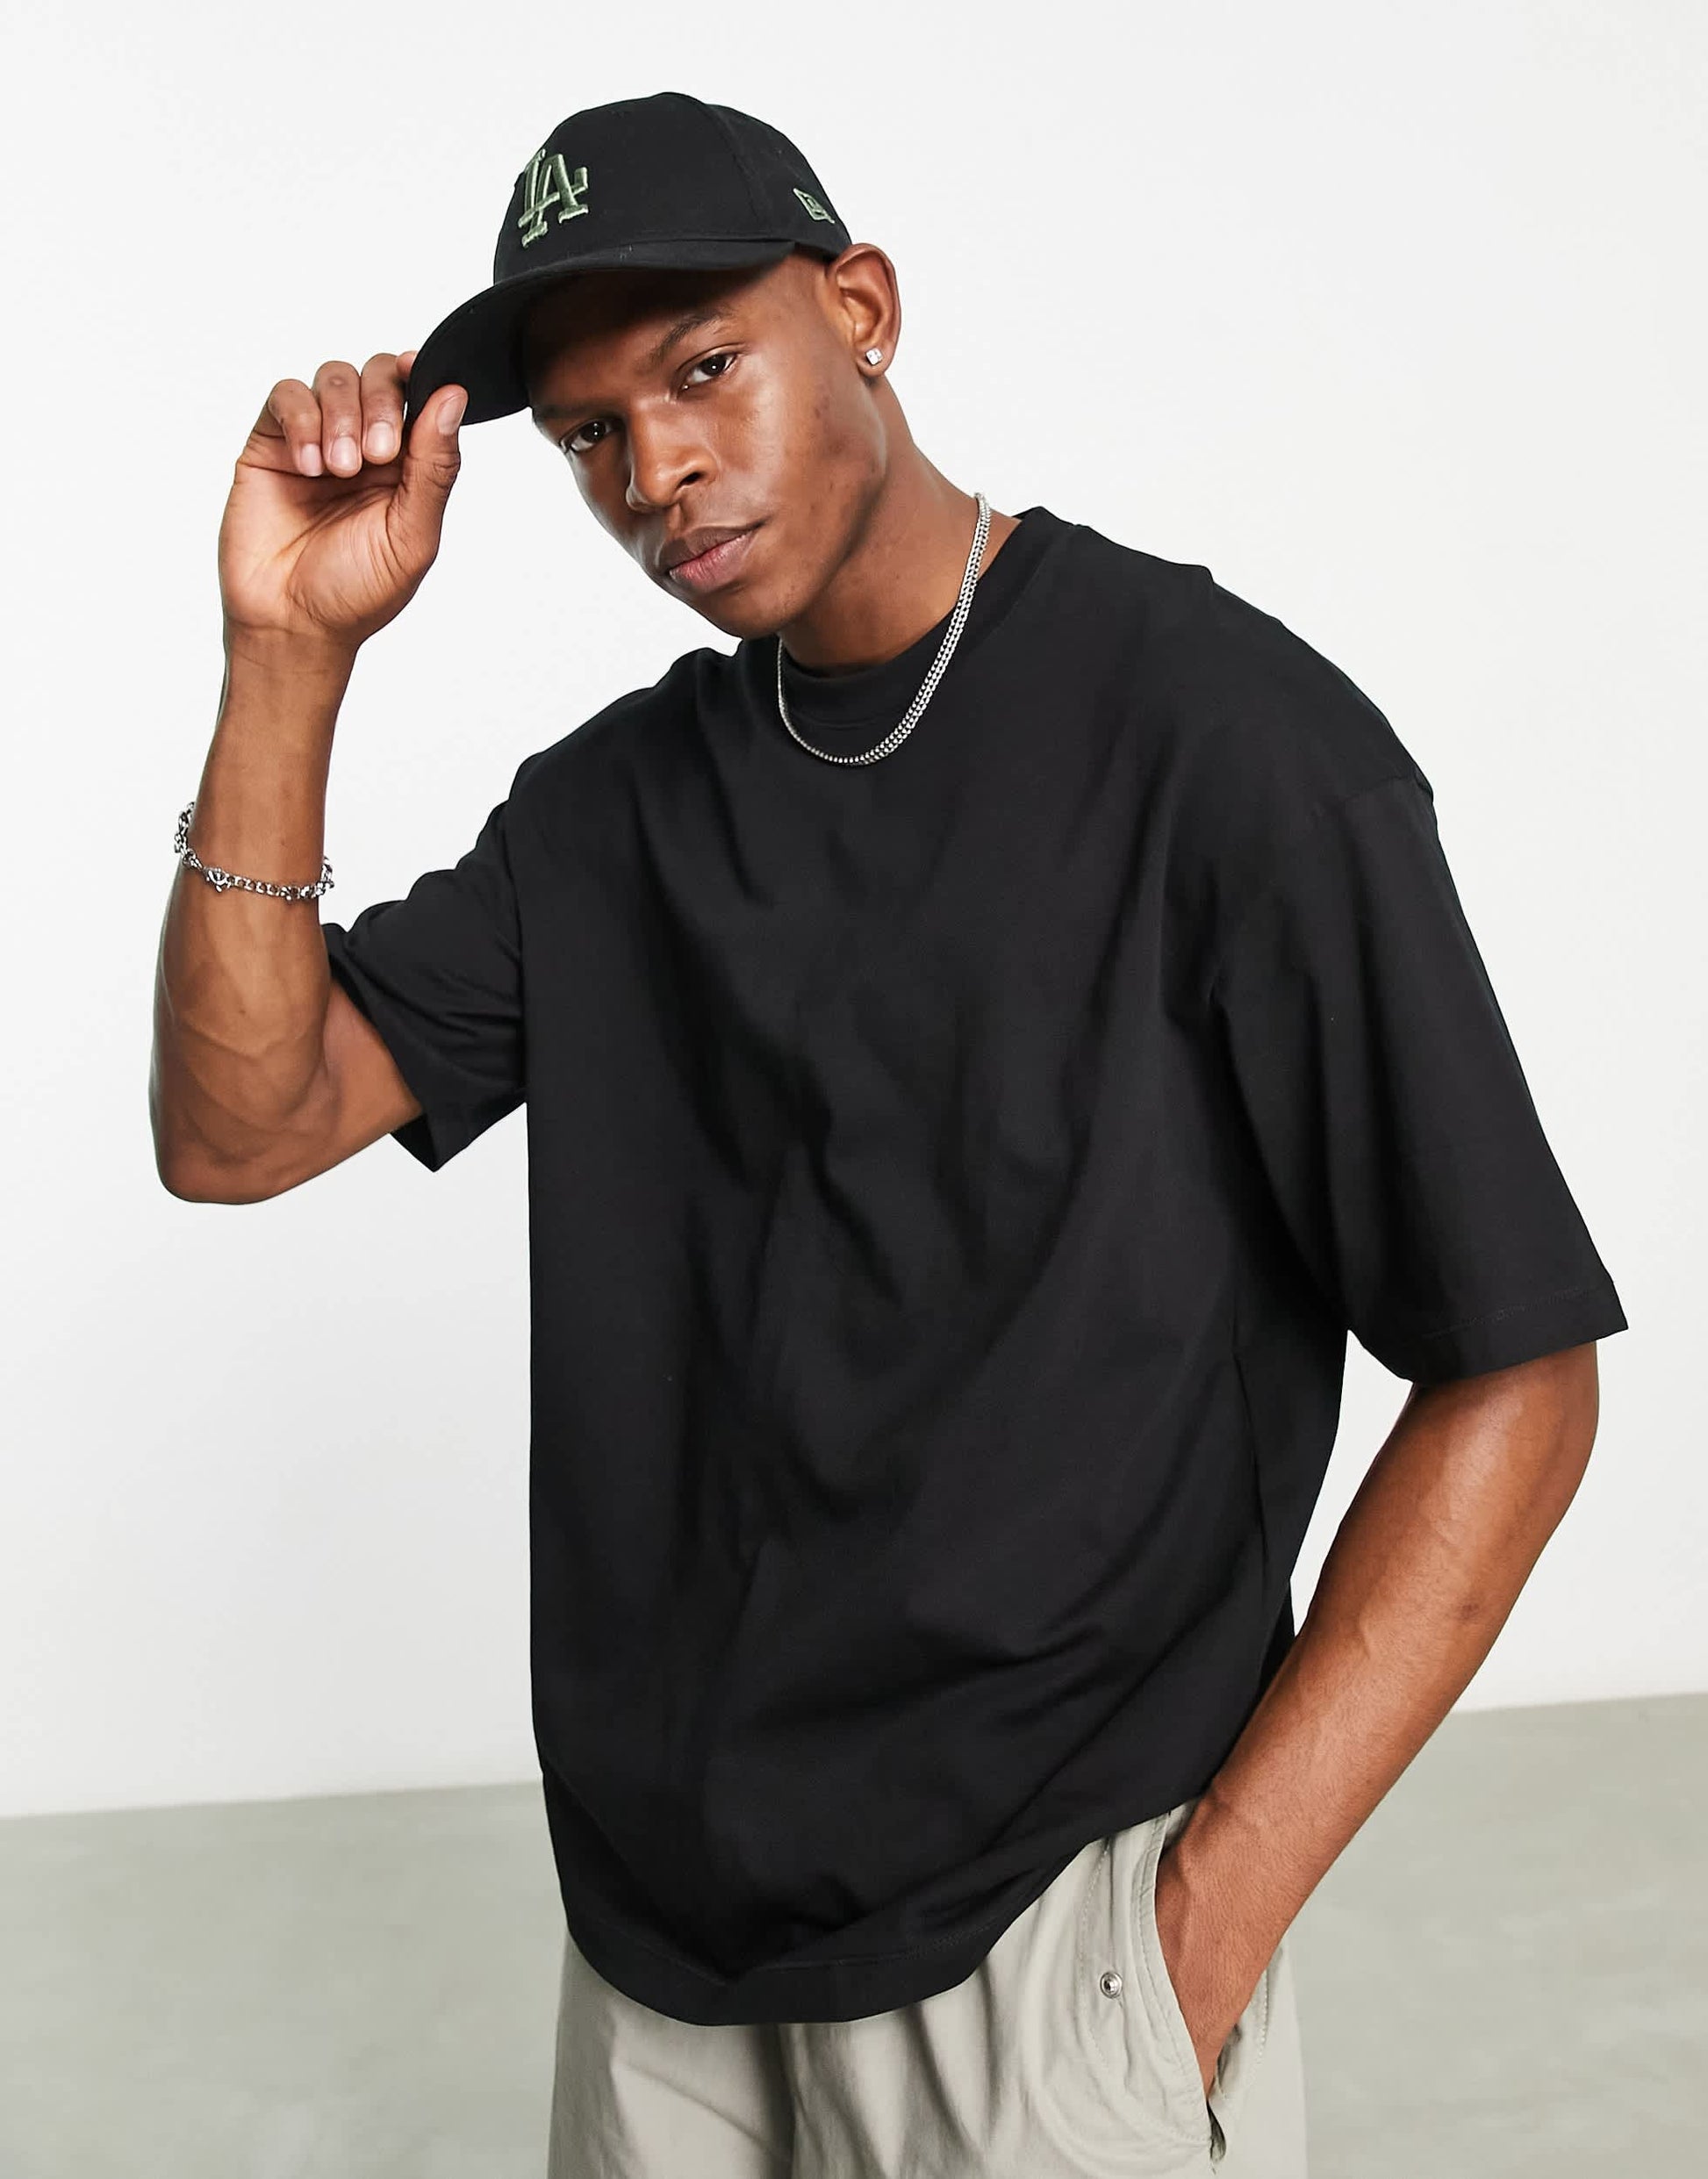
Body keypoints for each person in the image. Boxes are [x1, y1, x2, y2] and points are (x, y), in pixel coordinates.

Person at [151, 90, 1629, 2179]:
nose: (655, 471)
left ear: (860, 309)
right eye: (587, 433)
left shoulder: (1225, 745)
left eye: (702, 369)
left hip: (1048, 1959)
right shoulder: (608, 815)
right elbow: (239, 1122)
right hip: (657, 1975)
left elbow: (1517, 1368)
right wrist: (284, 658)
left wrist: (1197, 1930)